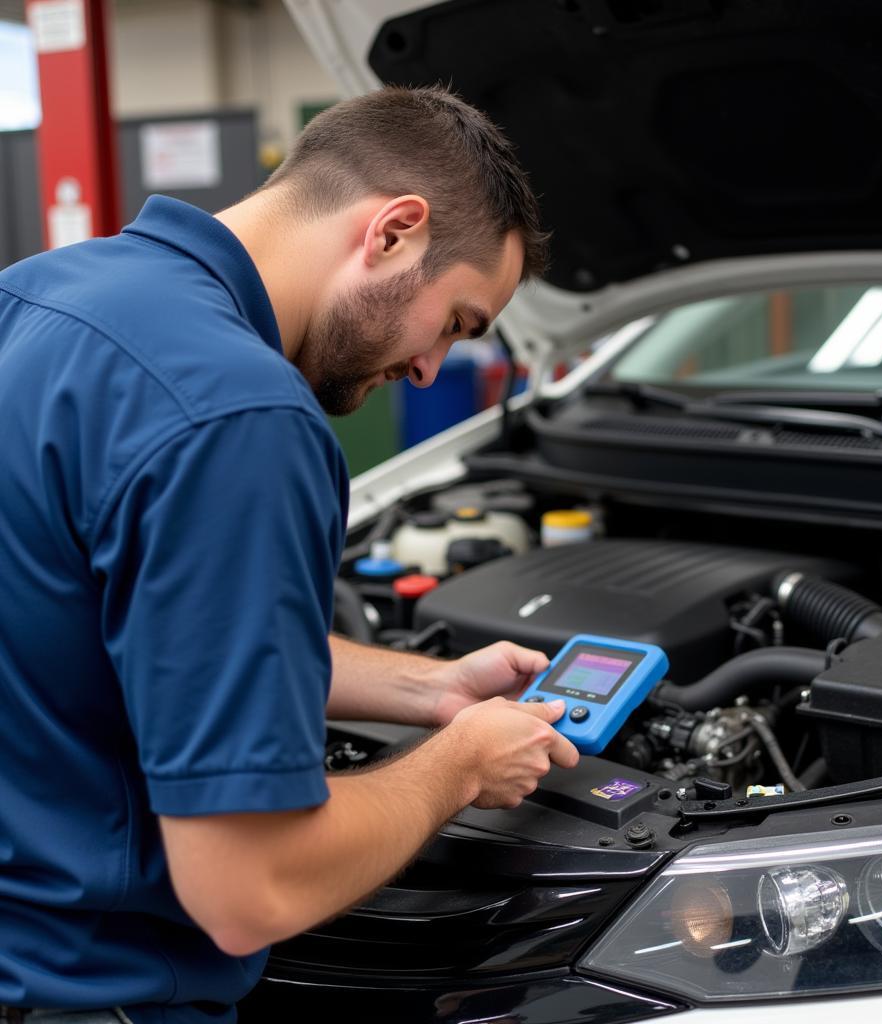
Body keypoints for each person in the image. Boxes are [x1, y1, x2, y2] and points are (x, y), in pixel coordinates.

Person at [0, 86, 578, 1024]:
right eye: (459, 322)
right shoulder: (243, 416)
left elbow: (119, 633)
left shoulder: (41, 293)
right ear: (393, 231)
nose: (433, 369)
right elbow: (248, 889)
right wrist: (459, 764)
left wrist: (426, 691)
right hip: (101, 998)